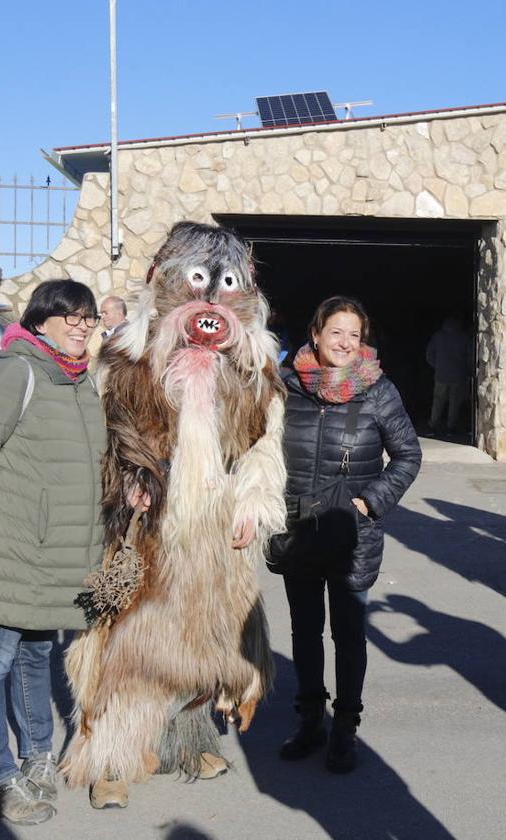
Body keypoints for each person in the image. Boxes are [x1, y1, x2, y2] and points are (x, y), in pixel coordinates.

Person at [61, 222, 287, 810]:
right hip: (148, 529)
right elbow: (105, 432)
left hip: (213, 531)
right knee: (130, 645)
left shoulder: (253, 373)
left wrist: (254, 502)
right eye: (196, 283)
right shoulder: (125, 360)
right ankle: (111, 757)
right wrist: (130, 480)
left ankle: (189, 741)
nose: (209, 302)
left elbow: (265, 444)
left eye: (225, 285)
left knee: (205, 640)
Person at [0, 279, 107, 826]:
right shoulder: (17, 373)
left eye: (88, 317)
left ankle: (36, 758)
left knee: (37, 658)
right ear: (41, 321)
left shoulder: (81, 383)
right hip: (12, 550)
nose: (82, 325)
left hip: (58, 555)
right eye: (70, 316)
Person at [269, 295, 422, 773]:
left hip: (351, 532)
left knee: (349, 634)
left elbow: (408, 456)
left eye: (354, 335)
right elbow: (259, 449)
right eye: (336, 332)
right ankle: (310, 720)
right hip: (296, 527)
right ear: (315, 334)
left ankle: (344, 728)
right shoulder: (285, 387)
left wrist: (369, 501)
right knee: (305, 631)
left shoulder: (377, 391)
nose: (345, 343)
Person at [425, 314, 471, 438]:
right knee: (454, 403)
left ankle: (433, 425)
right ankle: (451, 427)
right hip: (458, 375)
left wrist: (437, 366)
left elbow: (429, 354)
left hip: (441, 375)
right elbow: (469, 357)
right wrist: (468, 371)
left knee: (438, 401)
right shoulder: (463, 337)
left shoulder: (438, 336)